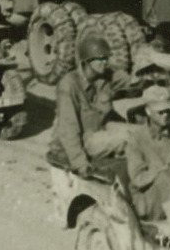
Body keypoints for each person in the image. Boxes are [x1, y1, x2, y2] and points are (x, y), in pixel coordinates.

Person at [48, 31, 130, 175]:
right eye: (99, 59)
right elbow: (68, 129)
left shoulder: (104, 76)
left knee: (140, 133)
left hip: (100, 130)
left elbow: (128, 82)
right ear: (86, 61)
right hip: (82, 141)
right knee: (128, 139)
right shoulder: (69, 84)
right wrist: (80, 164)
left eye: (106, 58)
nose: (104, 62)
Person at [126, 84, 170, 248]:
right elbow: (138, 178)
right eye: (160, 112)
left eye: (167, 111)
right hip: (147, 200)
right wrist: (169, 169)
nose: (165, 115)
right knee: (165, 177)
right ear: (148, 111)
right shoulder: (136, 139)